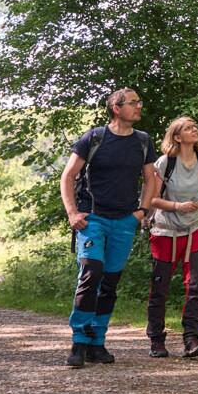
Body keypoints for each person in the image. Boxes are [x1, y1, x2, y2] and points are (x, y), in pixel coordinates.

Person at [59, 87, 161, 368]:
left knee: (110, 283)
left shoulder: (143, 141)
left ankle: (97, 342)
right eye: (133, 103)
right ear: (116, 108)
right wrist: (72, 213)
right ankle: (79, 341)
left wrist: (142, 211)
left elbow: (151, 178)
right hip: (93, 218)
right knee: (91, 274)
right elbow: (68, 176)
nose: (139, 106)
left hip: (124, 221)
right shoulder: (93, 138)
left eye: (139, 101)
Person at [143, 116, 198, 358]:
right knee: (160, 288)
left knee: (195, 285)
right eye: (188, 128)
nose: (194, 130)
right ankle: (156, 340)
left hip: (194, 229)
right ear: (177, 136)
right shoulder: (164, 163)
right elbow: (150, 200)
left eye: (196, 126)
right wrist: (177, 206)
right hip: (165, 232)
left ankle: (191, 339)